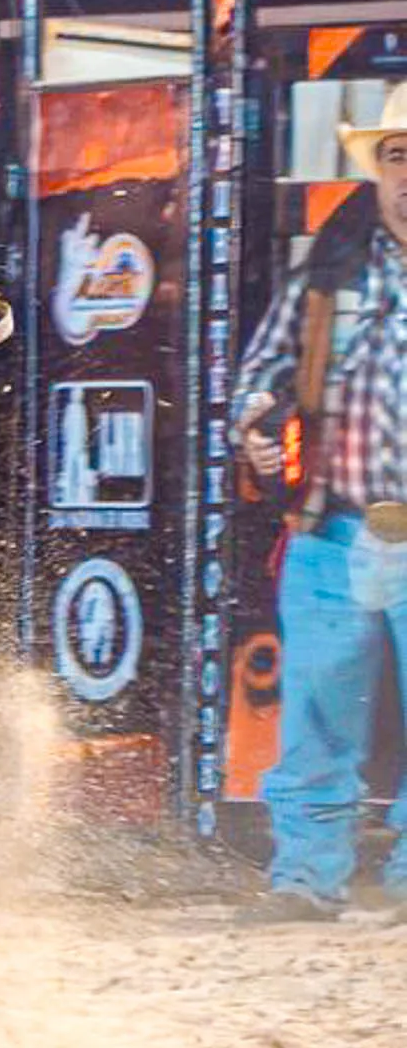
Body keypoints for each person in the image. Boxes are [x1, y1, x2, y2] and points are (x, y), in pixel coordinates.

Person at [229, 84, 407, 920]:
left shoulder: (335, 264)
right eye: (397, 156)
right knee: (317, 714)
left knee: (324, 709)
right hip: (334, 528)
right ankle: (305, 875)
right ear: (377, 169)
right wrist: (257, 428)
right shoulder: (331, 271)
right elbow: (259, 380)